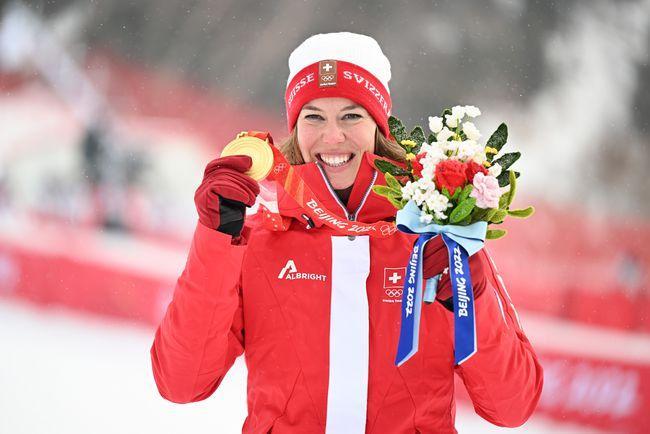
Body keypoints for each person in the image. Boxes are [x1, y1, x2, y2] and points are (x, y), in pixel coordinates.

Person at [151, 32, 543, 433]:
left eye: (352, 116)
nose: (333, 136)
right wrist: (215, 237)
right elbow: (182, 383)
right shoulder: (257, 238)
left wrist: (471, 294)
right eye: (314, 116)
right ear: (294, 128)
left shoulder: (435, 236)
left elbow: (512, 405)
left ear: (379, 127)